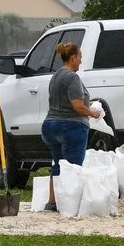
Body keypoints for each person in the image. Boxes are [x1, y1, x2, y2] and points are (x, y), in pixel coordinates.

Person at [41, 43, 102, 211]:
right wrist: (92, 113)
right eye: (80, 58)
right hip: (70, 126)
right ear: (73, 57)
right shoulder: (72, 77)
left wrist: (84, 104)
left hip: (50, 125)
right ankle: (70, 205)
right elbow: (77, 106)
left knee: (58, 164)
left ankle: (52, 202)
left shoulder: (55, 76)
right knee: (74, 167)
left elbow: (63, 101)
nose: (81, 62)